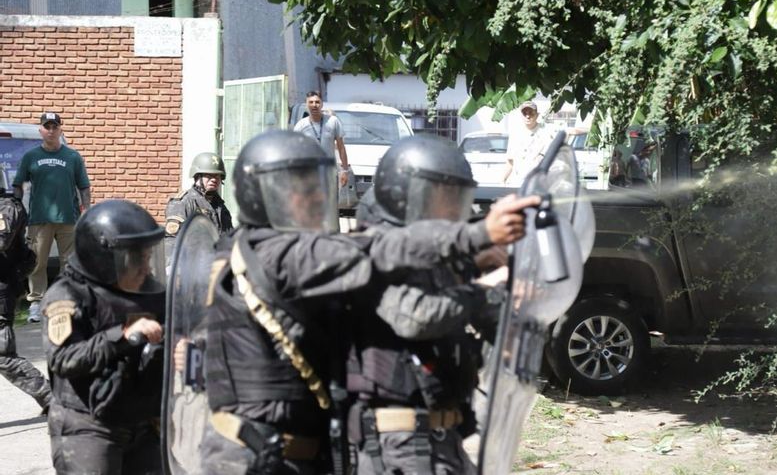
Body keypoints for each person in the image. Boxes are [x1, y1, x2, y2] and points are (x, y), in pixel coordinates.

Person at [199, 130, 534, 475]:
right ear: (260, 194)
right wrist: (478, 235)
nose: (315, 198)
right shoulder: (281, 255)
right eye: (300, 189)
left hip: (282, 452)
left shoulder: (245, 250)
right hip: (252, 458)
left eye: (317, 185)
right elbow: (376, 250)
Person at [347, 135, 508, 475]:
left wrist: (506, 284)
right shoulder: (373, 255)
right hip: (398, 444)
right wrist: (481, 289)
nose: (453, 210)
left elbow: (493, 325)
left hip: (442, 436)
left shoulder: (443, 261)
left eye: (457, 199)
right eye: (442, 198)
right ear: (405, 195)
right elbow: (414, 318)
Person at [42, 199, 166, 474]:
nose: (146, 268)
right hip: (89, 425)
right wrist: (120, 337)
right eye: (136, 260)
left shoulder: (150, 292)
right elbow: (63, 359)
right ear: (103, 258)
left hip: (144, 421)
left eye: (148, 258)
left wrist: (181, 343)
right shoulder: (68, 295)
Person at [12, 112, 91, 324]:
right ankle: (36, 303)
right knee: (37, 262)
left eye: (55, 126)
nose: (51, 130)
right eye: (47, 126)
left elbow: (83, 185)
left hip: (68, 219)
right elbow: (18, 183)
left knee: (69, 263)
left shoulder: (73, 157)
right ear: (41, 130)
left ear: (60, 130)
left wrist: (87, 209)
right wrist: (17, 206)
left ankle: (65, 301)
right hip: (39, 219)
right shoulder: (31, 157)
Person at [0, 166, 52, 413]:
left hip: (1, 290)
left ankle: (52, 398)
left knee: (3, 355)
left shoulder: (8, 208)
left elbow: (1, 241)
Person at [164, 152, 233, 261]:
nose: (214, 179)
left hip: (218, 266)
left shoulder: (221, 207)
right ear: (197, 176)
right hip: (192, 267)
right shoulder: (183, 202)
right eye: (209, 176)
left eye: (217, 176)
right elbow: (172, 241)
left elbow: (229, 238)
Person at [291, 91, 351, 187]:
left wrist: (344, 171)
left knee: (331, 202)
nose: (314, 105)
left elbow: (341, 147)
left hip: (330, 174)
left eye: (317, 102)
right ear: (306, 104)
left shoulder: (333, 121)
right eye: (311, 102)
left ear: (322, 104)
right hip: (309, 175)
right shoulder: (301, 125)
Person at [502, 101, 553, 186]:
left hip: (538, 184)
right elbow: (510, 161)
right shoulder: (515, 133)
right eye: (524, 113)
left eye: (531, 113)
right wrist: (503, 180)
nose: (528, 116)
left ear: (537, 115)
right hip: (517, 183)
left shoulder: (546, 132)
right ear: (521, 116)